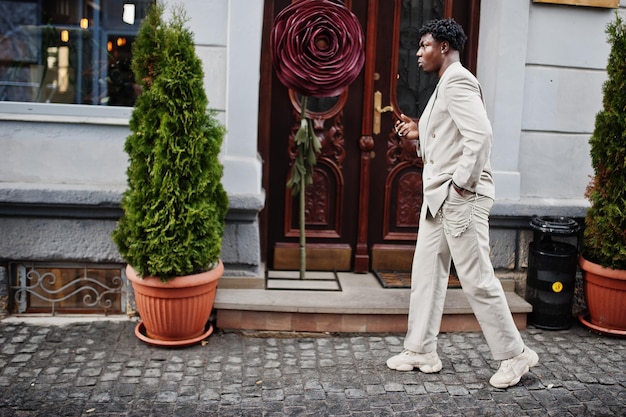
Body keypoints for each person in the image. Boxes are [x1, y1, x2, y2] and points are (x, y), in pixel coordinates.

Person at [387, 18, 538, 389]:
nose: (418, 52)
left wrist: (460, 186)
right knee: (426, 272)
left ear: (443, 47)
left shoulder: (458, 80)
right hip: (440, 198)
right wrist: (418, 129)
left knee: (477, 279)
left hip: (458, 197)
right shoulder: (445, 85)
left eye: (424, 45)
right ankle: (421, 349)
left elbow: (480, 136)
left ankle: (514, 355)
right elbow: (449, 132)